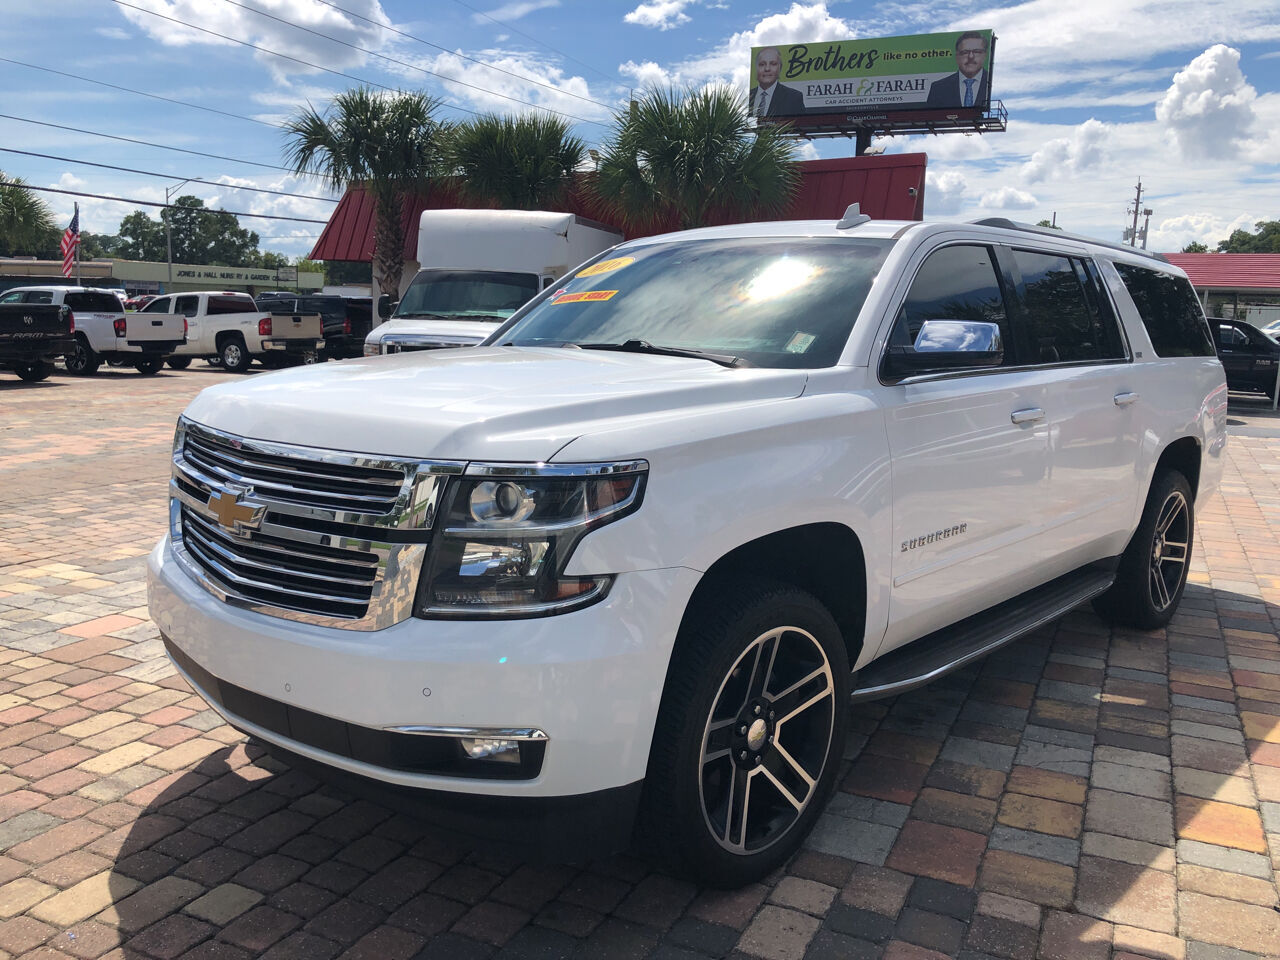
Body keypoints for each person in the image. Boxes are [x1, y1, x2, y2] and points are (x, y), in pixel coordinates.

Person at [926, 32, 990, 109]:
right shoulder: (938, 88)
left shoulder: (991, 82)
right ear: (956, 56)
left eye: (977, 52)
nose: (971, 56)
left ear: (985, 55)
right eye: (965, 52)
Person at [748, 46, 806, 118]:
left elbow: (801, 123)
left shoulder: (793, 97)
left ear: (780, 67)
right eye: (762, 64)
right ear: (756, 67)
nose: (767, 69)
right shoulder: (749, 96)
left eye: (773, 64)